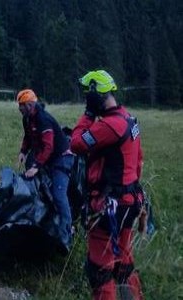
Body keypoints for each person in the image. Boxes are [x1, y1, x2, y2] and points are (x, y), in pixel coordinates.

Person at [70, 70, 144, 300]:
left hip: (109, 207)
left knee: (100, 269)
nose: (85, 99)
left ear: (96, 95)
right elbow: (138, 160)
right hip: (130, 199)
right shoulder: (128, 119)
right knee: (123, 260)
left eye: (87, 95)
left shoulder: (108, 126)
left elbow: (76, 144)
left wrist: (88, 114)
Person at [16, 88, 75, 250]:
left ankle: (67, 230)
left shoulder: (43, 119)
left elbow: (48, 147)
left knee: (58, 194)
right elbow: (28, 137)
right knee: (34, 182)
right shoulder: (27, 118)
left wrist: (36, 166)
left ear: (29, 105)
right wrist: (23, 152)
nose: (19, 109)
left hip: (61, 158)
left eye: (21, 106)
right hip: (46, 155)